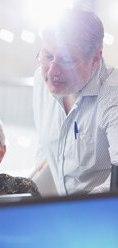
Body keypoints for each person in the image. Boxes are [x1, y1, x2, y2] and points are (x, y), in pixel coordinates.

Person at [33, 6, 118, 195]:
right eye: (47, 56)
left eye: (67, 61)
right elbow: (45, 152)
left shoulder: (113, 95)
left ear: (95, 58)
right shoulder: (41, 78)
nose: (53, 71)